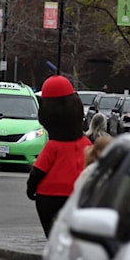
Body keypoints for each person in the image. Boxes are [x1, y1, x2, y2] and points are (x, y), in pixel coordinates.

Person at [27, 76, 92, 237]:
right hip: (78, 194)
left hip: (49, 194)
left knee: (51, 227)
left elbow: (38, 171)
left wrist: (31, 188)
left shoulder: (53, 146)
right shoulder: (86, 143)